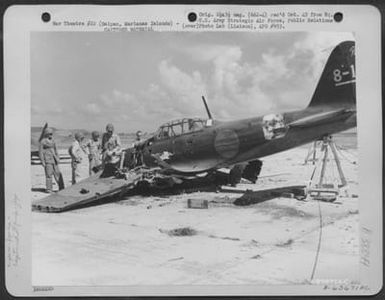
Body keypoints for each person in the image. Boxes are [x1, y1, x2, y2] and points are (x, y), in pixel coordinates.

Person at [38, 127, 65, 193]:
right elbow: (40, 152)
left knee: (58, 173)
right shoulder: (43, 141)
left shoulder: (53, 141)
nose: (50, 135)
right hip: (47, 160)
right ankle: (49, 189)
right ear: (46, 133)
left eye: (51, 134)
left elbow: (56, 150)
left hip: (54, 159)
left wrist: (58, 157)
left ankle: (61, 187)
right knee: (49, 174)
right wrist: (42, 161)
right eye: (49, 134)